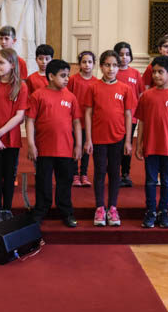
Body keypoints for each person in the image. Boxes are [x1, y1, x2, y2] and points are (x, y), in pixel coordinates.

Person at [134, 56, 168, 229]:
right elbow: (141, 121)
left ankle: (163, 211)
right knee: (151, 180)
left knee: (166, 180)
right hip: (151, 146)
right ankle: (150, 211)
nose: (157, 76)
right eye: (154, 72)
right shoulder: (146, 96)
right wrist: (139, 144)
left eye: (161, 72)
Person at [26, 59, 82, 228]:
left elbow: (77, 123)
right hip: (44, 148)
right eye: (63, 76)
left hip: (65, 149)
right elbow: (29, 121)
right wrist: (31, 144)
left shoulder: (70, 97)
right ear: (51, 76)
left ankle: (66, 211)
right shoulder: (38, 95)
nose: (67, 79)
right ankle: (40, 210)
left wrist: (78, 145)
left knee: (64, 181)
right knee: (43, 181)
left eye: (68, 76)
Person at [83, 50, 136, 227]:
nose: (111, 69)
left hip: (118, 138)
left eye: (114, 65)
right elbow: (88, 114)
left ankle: (112, 207)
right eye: (107, 65)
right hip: (98, 138)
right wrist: (88, 139)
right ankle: (100, 207)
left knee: (115, 173)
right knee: (99, 172)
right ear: (101, 66)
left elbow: (128, 115)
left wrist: (128, 140)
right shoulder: (93, 87)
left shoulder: (125, 89)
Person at [0, 48, 28, 224]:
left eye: (2, 62)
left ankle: (7, 209)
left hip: (11, 137)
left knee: (10, 174)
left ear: (12, 64)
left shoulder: (21, 87)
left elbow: (19, 115)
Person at [114, 41, 144, 188]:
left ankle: (126, 173)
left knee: (127, 145)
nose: (124, 57)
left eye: (127, 54)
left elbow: (141, 94)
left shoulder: (135, 73)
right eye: (120, 54)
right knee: (115, 146)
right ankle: (114, 172)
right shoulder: (113, 72)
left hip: (131, 117)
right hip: (115, 117)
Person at [68, 51, 96, 186]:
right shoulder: (73, 79)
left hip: (89, 121)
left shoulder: (96, 82)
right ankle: (74, 174)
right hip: (75, 120)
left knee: (86, 147)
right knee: (74, 147)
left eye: (90, 62)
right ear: (79, 63)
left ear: (94, 64)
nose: (87, 65)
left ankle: (84, 173)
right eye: (84, 62)